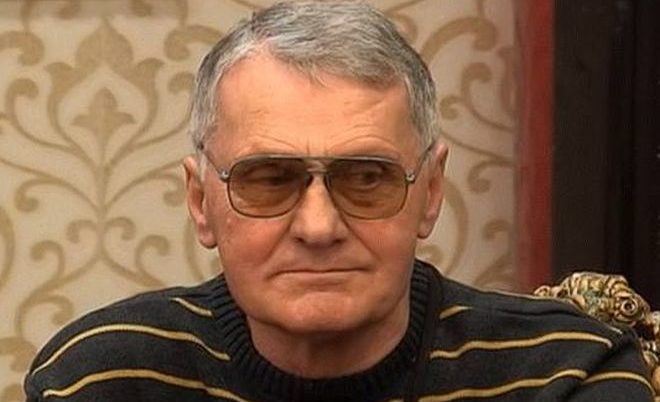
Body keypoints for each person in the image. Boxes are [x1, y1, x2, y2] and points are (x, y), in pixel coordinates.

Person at [24, 1, 654, 401]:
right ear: (200, 201)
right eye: (269, 179)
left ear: (430, 192)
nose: (319, 226)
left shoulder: (569, 374)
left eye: (367, 178)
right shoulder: (102, 377)